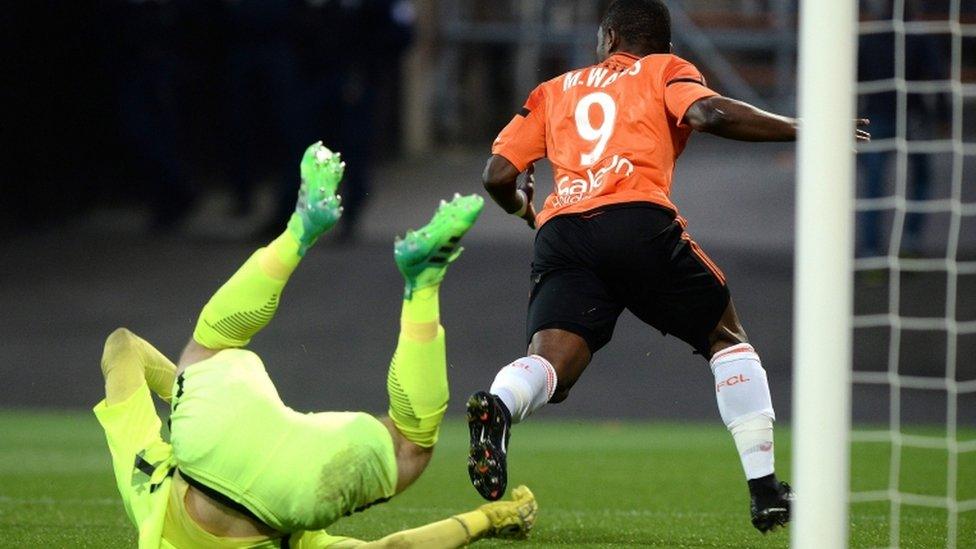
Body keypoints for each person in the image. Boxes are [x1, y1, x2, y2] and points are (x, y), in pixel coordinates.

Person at [465, 0, 869, 534]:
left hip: (562, 233)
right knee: (726, 338)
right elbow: (708, 113)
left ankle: (497, 406)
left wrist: (524, 209)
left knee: (552, 367)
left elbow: (497, 173)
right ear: (666, 45)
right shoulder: (666, 70)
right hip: (635, 219)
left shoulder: (553, 89)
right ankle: (766, 491)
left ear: (608, 37)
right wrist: (806, 128)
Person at [94, 142, 537, 548]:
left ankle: (424, 281)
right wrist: (186, 395)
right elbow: (122, 347)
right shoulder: (143, 490)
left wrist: (489, 519)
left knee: (410, 447)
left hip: (297, 484)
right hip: (207, 434)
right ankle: (298, 232)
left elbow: (395, 548)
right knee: (211, 343)